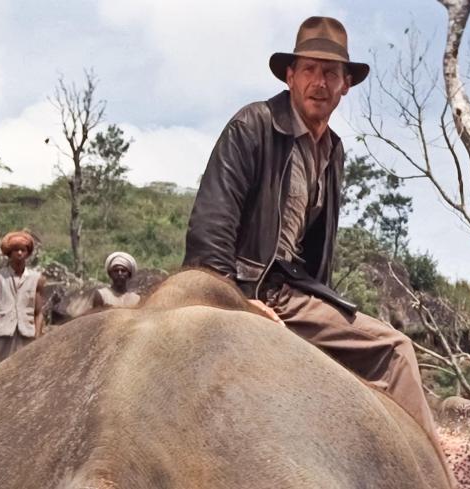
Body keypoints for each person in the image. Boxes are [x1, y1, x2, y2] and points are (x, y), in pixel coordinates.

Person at [184, 16, 436, 436]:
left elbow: (317, 255)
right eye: (309, 70)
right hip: (252, 289)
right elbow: (212, 222)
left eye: (330, 73)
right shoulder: (254, 124)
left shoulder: (333, 152)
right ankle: (434, 478)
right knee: (394, 351)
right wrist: (234, 300)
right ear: (290, 75)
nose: (319, 82)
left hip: (294, 292)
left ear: (345, 85)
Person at [0, 231, 46, 367]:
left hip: (26, 336)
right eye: (15, 250)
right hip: (1, 335)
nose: (19, 253)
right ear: (9, 253)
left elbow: (38, 312)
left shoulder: (37, 279)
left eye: (22, 250)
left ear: (27, 253)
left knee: (25, 375)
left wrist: (38, 337)